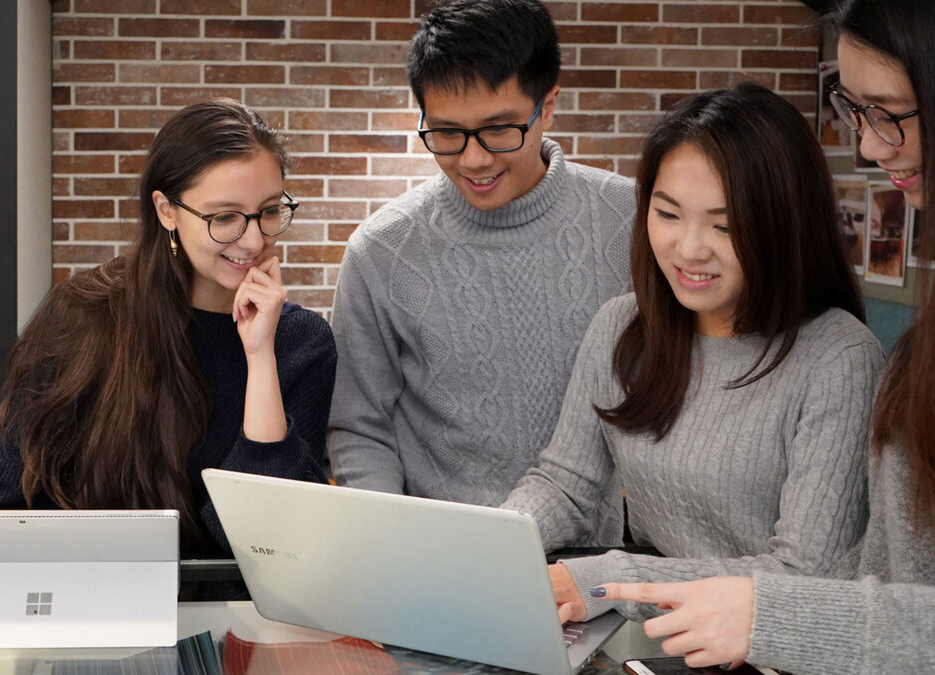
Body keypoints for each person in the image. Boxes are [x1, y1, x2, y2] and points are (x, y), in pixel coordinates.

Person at [0, 99, 337, 606]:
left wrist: (260, 354)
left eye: (269, 212)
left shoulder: (300, 342)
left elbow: (267, 541)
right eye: (224, 217)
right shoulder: (87, 316)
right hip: (86, 612)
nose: (252, 240)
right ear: (166, 211)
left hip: (237, 624)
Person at [598, 1, 935, 672]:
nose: (868, 146)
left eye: (890, 111)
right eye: (853, 108)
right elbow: (892, 578)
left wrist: (768, 614)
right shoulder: (913, 353)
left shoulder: (839, 354)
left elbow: (823, 571)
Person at [499, 83, 884, 626]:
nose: (689, 249)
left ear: (784, 226)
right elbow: (566, 484)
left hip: (773, 647)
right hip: (668, 633)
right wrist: (489, 550)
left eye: (726, 226)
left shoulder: (839, 358)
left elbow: (805, 574)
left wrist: (615, 581)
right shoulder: (621, 326)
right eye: (669, 213)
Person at [327, 0, 635, 512]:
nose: (474, 159)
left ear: (549, 105)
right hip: (437, 553)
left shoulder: (632, 219)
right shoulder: (382, 249)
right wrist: (386, 539)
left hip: (592, 565)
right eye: (446, 133)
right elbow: (358, 425)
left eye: (499, 128)